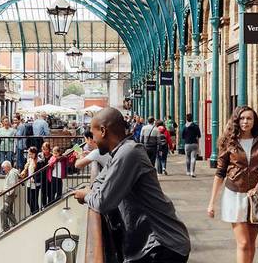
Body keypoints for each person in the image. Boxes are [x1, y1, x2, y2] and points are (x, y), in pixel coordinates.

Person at [73, 108, 191, 263]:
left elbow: (103, 202)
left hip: (163, 245)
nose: (93, 140)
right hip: (154, 246)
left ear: (103, 131)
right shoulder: (120, 153)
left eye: (93, 134)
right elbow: (98, 183)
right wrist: (92, 192)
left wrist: (85, 195)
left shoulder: (129, 153)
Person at [206, 106, 258, 263]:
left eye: (249, 118)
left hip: (256, 196)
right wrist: (212, 203)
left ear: (254, 121)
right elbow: (220, 173)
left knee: (251, 243)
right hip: (235, 194)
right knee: (243, 243)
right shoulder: (228, 142)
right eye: (242, 118)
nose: (245, 121)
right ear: (236, 120)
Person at [21, 146, 42, 214]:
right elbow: (27, 169)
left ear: (35, 153)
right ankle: (33, 212)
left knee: (34, 200)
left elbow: (41, 173)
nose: (29, 155)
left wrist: (35, 179)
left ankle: (35, 213)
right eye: (29, 154)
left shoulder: (39, 161)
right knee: (29, 200)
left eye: (31, 154)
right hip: (29, 183)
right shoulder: (30, 160)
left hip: (35, 183)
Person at [0, 160, 20, 230]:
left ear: (8, 167)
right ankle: (16, 225)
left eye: (4, 168)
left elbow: (12, 186)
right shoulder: (11, 172)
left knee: (3, 211)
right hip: (10, 195)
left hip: (10, 195)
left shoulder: (11, 174)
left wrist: (5, 191)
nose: (3, 170)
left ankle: (5, 228)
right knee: (9, 211)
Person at [181, 113, 202, 178]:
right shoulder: (196, 126)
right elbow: (199, 135)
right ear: (192, 118)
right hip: (194, 144)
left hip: (187, 144)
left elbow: (182, 136)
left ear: (186, 119)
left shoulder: (184, 127)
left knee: (187, 157)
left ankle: (188, 171)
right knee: (193, 158)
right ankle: (192, 172)